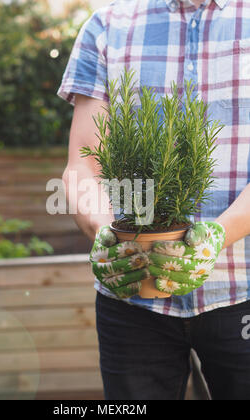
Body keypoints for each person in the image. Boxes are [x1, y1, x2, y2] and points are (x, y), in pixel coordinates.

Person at [58, 0, 250, 400]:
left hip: (242, 291)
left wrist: (217, 234)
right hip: (131, 300)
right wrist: (104, 232)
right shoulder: (107, 26)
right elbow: (83, 164)